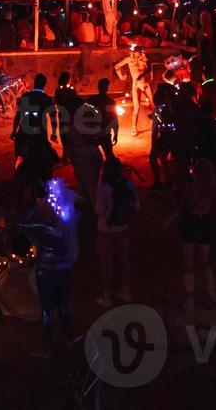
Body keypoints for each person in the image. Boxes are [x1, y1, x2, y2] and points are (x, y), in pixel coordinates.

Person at [20, 179, 78, 357]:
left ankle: (47, 346)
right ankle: (70, 338)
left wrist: (39, 208)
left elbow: (23, 224)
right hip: (65, 267)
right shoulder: (67, 215)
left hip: (47, 270)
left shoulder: (43, 222)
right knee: (64, 305)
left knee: (47, 310)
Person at [176, 157, 216, 314]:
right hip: (204, 223)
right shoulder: (212, 188)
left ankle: (190, 300)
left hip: (190, 222)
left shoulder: (192, 187)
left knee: (188, 263)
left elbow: (184, 205)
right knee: (205, 262)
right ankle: (211, 295)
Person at [94, 158, 137, 305]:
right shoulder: (128, 184)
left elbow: (99, 208)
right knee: (124, 261)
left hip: (106, 230)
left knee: (106, 263)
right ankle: (126, 292)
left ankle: (107, 295)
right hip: (123, 228)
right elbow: (136, 205)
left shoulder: (103, 186)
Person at [86, 77, 118, 160]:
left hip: (94, 133)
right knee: (109, 156)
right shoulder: (110, 101)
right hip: (104, 133)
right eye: (106, 86)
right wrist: (116, 134)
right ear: (106, 88)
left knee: (92, 158)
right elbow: (114, 119)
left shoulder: (91, 100)